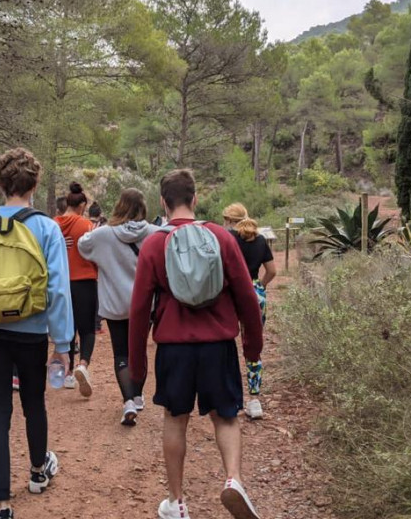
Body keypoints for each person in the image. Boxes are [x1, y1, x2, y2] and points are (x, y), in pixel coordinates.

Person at [129, 169, 263, 519]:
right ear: (196, 198)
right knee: (227, 417)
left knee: (175, 419)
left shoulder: (155, 244)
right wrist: (252, 347)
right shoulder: (221, 236)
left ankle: (176, 502)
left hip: (174, 348)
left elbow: (140, 308)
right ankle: (233, 480)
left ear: (163, 201)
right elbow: (247, 296)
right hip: (218, 345)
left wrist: (137, 367)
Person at [0, 148, 73, 519]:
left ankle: (3, 505)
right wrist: (63, 343)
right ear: (35, 184)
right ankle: (38, 473)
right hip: (32, 331)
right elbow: (57, 291)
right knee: (34, 402)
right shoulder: (46, 227)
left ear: (0, 184)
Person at [78, 188, 160, 426]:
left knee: (121, 353)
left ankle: (128, 402)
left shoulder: (103, 235)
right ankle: (138, 394)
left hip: (115, 305)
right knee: (139, 350)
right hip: (144, 304)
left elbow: (83, 247)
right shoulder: (154, 233)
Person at [223, 204, 277, 420]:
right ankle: (254, 399)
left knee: (226, 342)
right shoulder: (260, 240)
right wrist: (259, 286)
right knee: (253, 345)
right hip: (255, 293)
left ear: (228, 220)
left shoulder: (227, 240)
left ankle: (227, 394)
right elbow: (272, 271)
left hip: (230, 293)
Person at [54, 182, 98, 397]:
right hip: (85, 281)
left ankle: (69, 373)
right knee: (88, 328)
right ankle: (83, 365)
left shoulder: (53, 225)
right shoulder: (86, 225)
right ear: (82, 205)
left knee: (68, 328)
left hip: (61, 282)